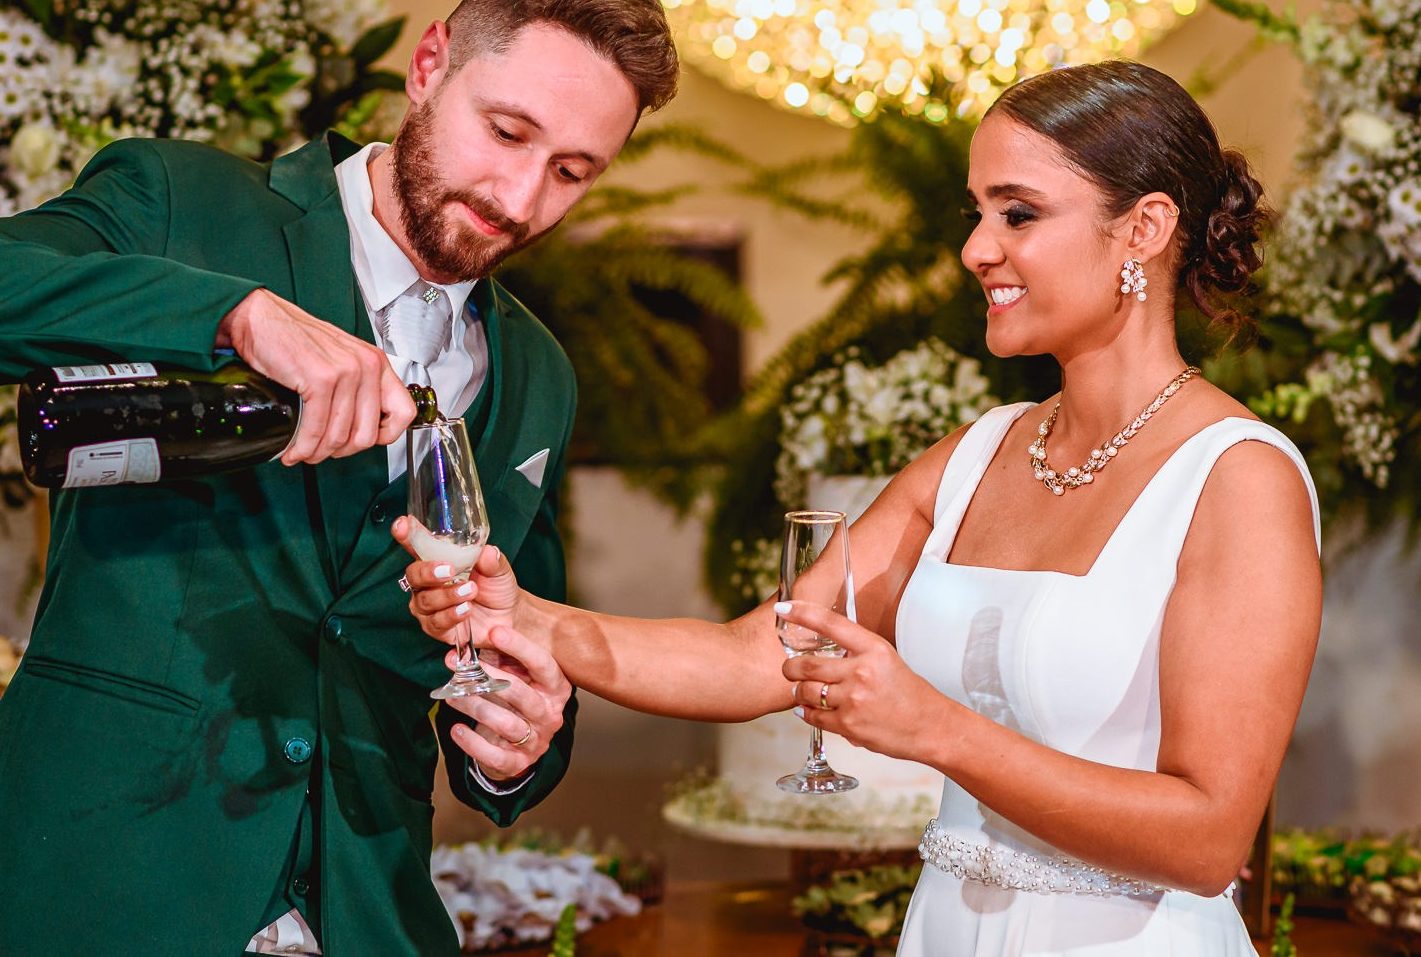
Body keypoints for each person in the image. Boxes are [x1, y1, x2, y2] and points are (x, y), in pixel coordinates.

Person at [0, 0, 679, 957]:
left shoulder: (538, 373)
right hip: (94, 892)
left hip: (363, 913)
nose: (519, 197)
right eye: (504, 130)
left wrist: (520, 743)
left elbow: (511, 639)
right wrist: (231, 312)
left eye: (570, 170)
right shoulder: (185, 206)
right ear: (430, 66)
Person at [401, 59, 1323, 956]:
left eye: (1019, 213)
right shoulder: (974, 455)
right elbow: (753, 654)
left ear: (1145, 229)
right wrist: (526, 616)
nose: (976, 248)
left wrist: (936, 729)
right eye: (977, 213)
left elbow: (1209, 838)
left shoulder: (1237, 478)